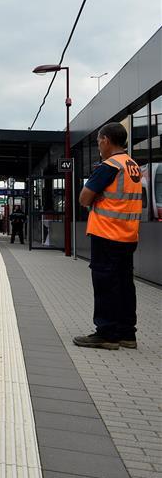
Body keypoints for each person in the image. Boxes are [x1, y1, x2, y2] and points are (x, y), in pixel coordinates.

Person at [74, 122, 142, 350]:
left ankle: (106, 333)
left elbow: (84, 198)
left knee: (104, 283)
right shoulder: (133, 166)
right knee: (124, 284)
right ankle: (127, 333)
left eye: (98, 142)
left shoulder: (109, 166)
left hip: (107, 234)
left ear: (105, 140)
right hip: (128, 236)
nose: (99, 147)